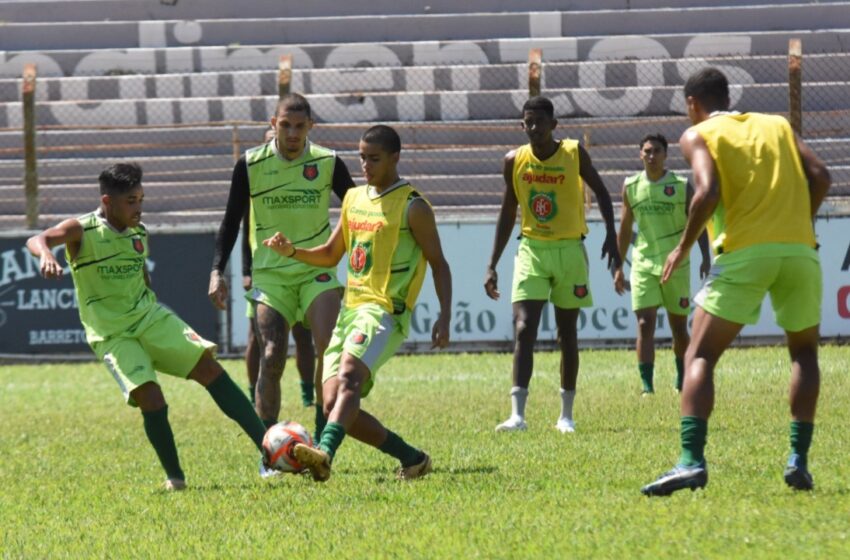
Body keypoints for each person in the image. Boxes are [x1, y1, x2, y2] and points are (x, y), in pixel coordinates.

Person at [641, 68, 831, 496]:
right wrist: (801, 225)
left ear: (693, 104)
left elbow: (706, 192)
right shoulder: (778, 124)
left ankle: (690, 461)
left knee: (699, 354)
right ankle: (798, 460)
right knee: (803, 352)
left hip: (744, 252)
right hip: (800, 251)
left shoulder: (700, 134)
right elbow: (820, 176)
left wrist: (683, 247)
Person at [26, 163, 268, 491]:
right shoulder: (81, 229)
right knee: (152, 400)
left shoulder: (139, 234)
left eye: (141, 199)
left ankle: (271, 452)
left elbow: (140, 273)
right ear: (108, 201)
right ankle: (176, 479)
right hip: (113, 333)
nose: (138, 207)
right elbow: (37, 237)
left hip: (150, 318)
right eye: (131, 201)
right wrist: (45, 256)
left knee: (210, 369)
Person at [263, 125, 452, 482]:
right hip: (350, 310)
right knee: (336, 405)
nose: (365, 165)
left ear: (395, 158)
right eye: (362, 157)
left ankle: (324, 455)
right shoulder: (354, 199)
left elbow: (440, 264)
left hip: (384, 310)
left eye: (374, 158)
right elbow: (332, 254)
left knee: (348, 378)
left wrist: (445, 315)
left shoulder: (414, 207)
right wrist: (292, 252)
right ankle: (413, 459)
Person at [208, 94, 354, 476]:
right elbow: (229, 221)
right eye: (285, 125)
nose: (291, 133)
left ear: (311, 127)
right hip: (271, 276)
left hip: (315, 271)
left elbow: (358, 209)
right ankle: (268, 456)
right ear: (273, 123)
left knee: (329, 352)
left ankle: (323, 448)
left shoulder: (327, 161)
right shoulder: (251, 165)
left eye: (299, 126)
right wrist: (216, 271)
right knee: (272, 354)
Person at [484, 96, 620, 434]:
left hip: (570, 250)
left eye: (539, 122)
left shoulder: (573, 153)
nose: (533, 128)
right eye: (527, 123)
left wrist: (611, 235)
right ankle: (517, 415)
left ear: (553, 125)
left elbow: (602, 192)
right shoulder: (514, 160)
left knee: (566, 332)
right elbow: (507, 212)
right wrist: (492, 263)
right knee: (523, 327)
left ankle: (566, 415)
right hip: (531, 248)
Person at [613, 133, 711, 395]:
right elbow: (624, 230)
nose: (652, 156)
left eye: (657, 151)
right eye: (647, 151)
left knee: (678, 326)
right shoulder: (631, 186)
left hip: (676, 263)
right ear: (640, 154)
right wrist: (619, 265)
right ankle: (647, 387)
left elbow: (697, 222)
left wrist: (705, 255)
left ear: (666, 155)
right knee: (645, 324)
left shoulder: (680, 185)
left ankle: (681, 378)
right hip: (644, 263)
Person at [240, 127, 317, 412]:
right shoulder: (254, 183)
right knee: (257, 339)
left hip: (300, 269)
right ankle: (252, 394)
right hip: (265, 272)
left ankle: (308, 395)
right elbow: (245, 229)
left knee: (303, 337)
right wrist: (246, 270)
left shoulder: (303, 181)